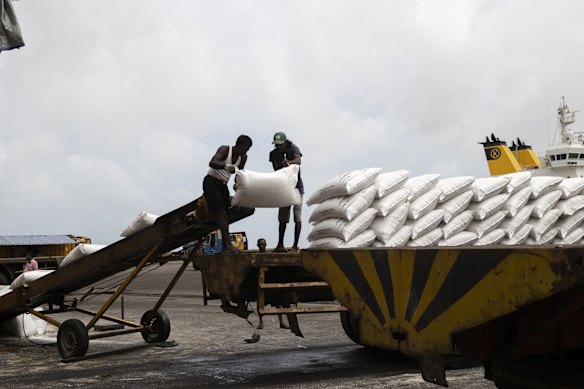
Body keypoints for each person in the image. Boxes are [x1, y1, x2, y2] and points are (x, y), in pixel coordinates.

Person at [203, 135, 252, 253]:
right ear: (238, 145)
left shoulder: (243, 157)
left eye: (247, 149)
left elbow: (239, 174)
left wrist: (238, 186)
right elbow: (212, 162)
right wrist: (226, 166)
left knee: (231, 210)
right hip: (211, 182)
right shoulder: (225, 150)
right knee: (221, 212)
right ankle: (226, 245)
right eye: (244, 148)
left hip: (223, 185)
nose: (245, 151)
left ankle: (225, 238)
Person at [269, 131, 304, 252]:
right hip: (283, 188)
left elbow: (298, 160)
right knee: (283, 218)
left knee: (297, 216)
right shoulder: (274, 154)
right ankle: (280, 244)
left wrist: (289, 163)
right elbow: (275, 169)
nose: (278, 147)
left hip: (296, 188)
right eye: (277, 145)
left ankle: (295, 245)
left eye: (280, 144)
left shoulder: (293, 149)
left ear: (285, 143)